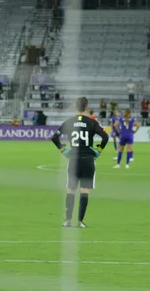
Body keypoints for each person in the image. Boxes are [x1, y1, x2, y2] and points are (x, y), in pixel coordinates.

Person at [51, 97, 109, 228]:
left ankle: (67, 221)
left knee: (71, 190)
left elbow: (55, 137)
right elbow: (105, 137)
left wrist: (63, 150)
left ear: (75, 108)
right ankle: (80, 221)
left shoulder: (69, 122)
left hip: (74, 160)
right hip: (88, 160)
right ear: (86, 108)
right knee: (84, 190)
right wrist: (98, 151)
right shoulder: (92, 122)